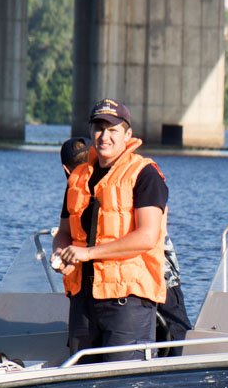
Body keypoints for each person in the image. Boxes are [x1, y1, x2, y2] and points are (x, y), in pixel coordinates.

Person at [52, 100, 169, 362]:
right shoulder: (77, 177)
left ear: (127, 135)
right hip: (83, 299)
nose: (104, 136)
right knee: (80, 382)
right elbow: (63, 232)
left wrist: (88, 254)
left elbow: (147, 236)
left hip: (128, 302)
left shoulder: (145, 174)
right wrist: (60, 253)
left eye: (113, 130)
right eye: (98, 128)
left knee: (120, 384)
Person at [58, 135, 190, 353]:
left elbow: (147, 234)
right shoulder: (80, 187)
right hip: (101, 288)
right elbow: (68, 233)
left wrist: (86, 253)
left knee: (174, 337)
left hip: (154, 276)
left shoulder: (139, 176)